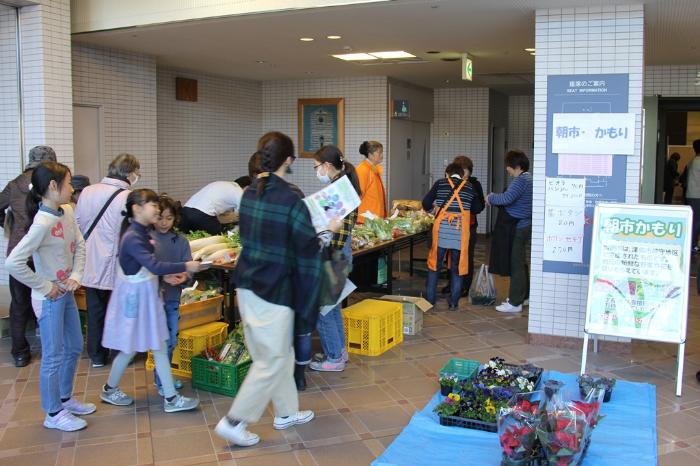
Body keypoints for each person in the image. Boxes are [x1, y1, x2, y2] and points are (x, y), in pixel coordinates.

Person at [214, 132, 324, 447]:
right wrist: (322, 241)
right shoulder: (290, 200)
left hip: (248, 285)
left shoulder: (249, 193)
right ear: (288, 161)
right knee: (270, 360)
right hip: (274, 291)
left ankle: (286, 412)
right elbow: (306, 251)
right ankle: (235, 420)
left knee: (279, 353)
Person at [5, 161, 95, 432]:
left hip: (66, 291)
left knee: (75, 346)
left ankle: (64, 399)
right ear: (53, 187)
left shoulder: (67, 210)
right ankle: (53, 412)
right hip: (49, 298)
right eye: (68, 184)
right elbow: (13, 263)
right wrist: (44, 286)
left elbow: (79, 243)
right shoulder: (41, 223)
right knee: (53, 355)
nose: (72, 189)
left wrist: (77, 276)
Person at [100, 189, 203, 412]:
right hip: (138, 299)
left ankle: (169, 398)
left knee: (156, 345)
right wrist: (186, 266)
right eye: (152, 205)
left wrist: (165, 275)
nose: (156, 209)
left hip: (146, 296)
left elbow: (147, 267)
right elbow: (154, 265)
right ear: (137, 209)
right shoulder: (133, 237)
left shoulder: (140, 232)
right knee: (134, 347)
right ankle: (112, 390)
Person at [76, 153, 140, 368]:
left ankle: (96, 355)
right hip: (116, 262)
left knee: (95, 310)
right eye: (136, 172)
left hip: (91, 260)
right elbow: (129, 231)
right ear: (130, 173)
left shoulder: (87, 191)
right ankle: (120, 352)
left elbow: (79, 224)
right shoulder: (128, 197)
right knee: (120, 310)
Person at [0, 145, 57, 367]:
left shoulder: (14, 184)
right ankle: (52, 346)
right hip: (46, 251)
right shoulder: (51, 184)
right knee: (51, 297)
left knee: (19, 303)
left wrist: (10, 226)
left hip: (20, 252)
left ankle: (20, 352)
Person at [308, 145, 361, 374]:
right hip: (340, 254)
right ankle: (339, 351)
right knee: (333, 306)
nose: (316, 171)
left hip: (334, 254)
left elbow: (338, 232)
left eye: (316, 167)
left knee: (324, 308)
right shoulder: (343, 186)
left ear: (327, 165)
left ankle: (334, 357)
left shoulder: (340, 190)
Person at [423, 163, 482, 311]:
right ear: (462, 175)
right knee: (457, 268)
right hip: (460, 233)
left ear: (447, 174)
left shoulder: (440, 183)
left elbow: (425, 203)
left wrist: (433, 210)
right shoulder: (469, 187)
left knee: (434, 266)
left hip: (441, 232)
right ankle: (453, 302)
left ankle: (430, 301)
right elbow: (477, 208)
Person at [150, 194, 191, 395]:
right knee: (161, 341)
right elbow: (145, 270)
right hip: (153, 300)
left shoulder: (181, 241)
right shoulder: (147, 240)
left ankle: (163, 377)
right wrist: (162, 279)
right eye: (160, 217)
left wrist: (185, 277)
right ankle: (162, 381)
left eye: (169, 218)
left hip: (173, 298)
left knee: (172, 340)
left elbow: (188, 266)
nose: (164, 222)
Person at [487, 150, 533, 313]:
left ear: (517, 166)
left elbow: (506, 199)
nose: (507, 168)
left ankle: (515, 302)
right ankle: (524, 296)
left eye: (508, 165)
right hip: (524, 224)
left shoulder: (521, 181)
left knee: (516, 264)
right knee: (521, 263)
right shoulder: (528, 179)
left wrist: (491, 197)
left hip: (518, 227)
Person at [441, 155, 485, 297]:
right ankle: (451, 284)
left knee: (466, 256)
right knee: (450, 256)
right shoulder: (449, 183)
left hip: (469, 225)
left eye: (466, 172)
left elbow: (480, 206)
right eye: (462, 172)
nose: (464, 176)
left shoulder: (474, 185)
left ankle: (465, 286)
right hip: (451, 225)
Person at [355, 140, 386, 223]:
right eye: (379, 153)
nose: (382, 155)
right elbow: (358, 196)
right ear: (370, 155)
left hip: (374, 219)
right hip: (365, 221)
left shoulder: (373, 169)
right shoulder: (363, 170)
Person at [683, 140, 700, 253]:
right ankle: (693, 245)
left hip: (691, 194)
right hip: (697, 195)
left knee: (694, 220)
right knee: (696, 222)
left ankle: (692, 244)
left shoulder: (692, 161)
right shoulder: (698, 161)